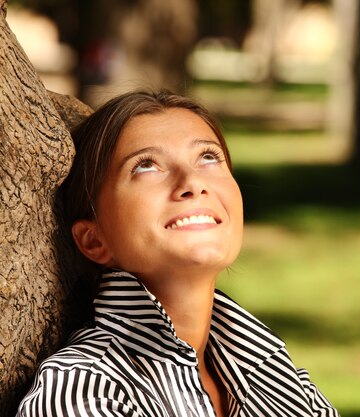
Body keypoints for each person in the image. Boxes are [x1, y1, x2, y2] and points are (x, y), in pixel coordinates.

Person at [17, 91, 339, 417]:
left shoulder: (275, 372)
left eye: (208, 157)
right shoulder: (83, 392)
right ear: (94, 240)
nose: (193, 182)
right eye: (146, 166)